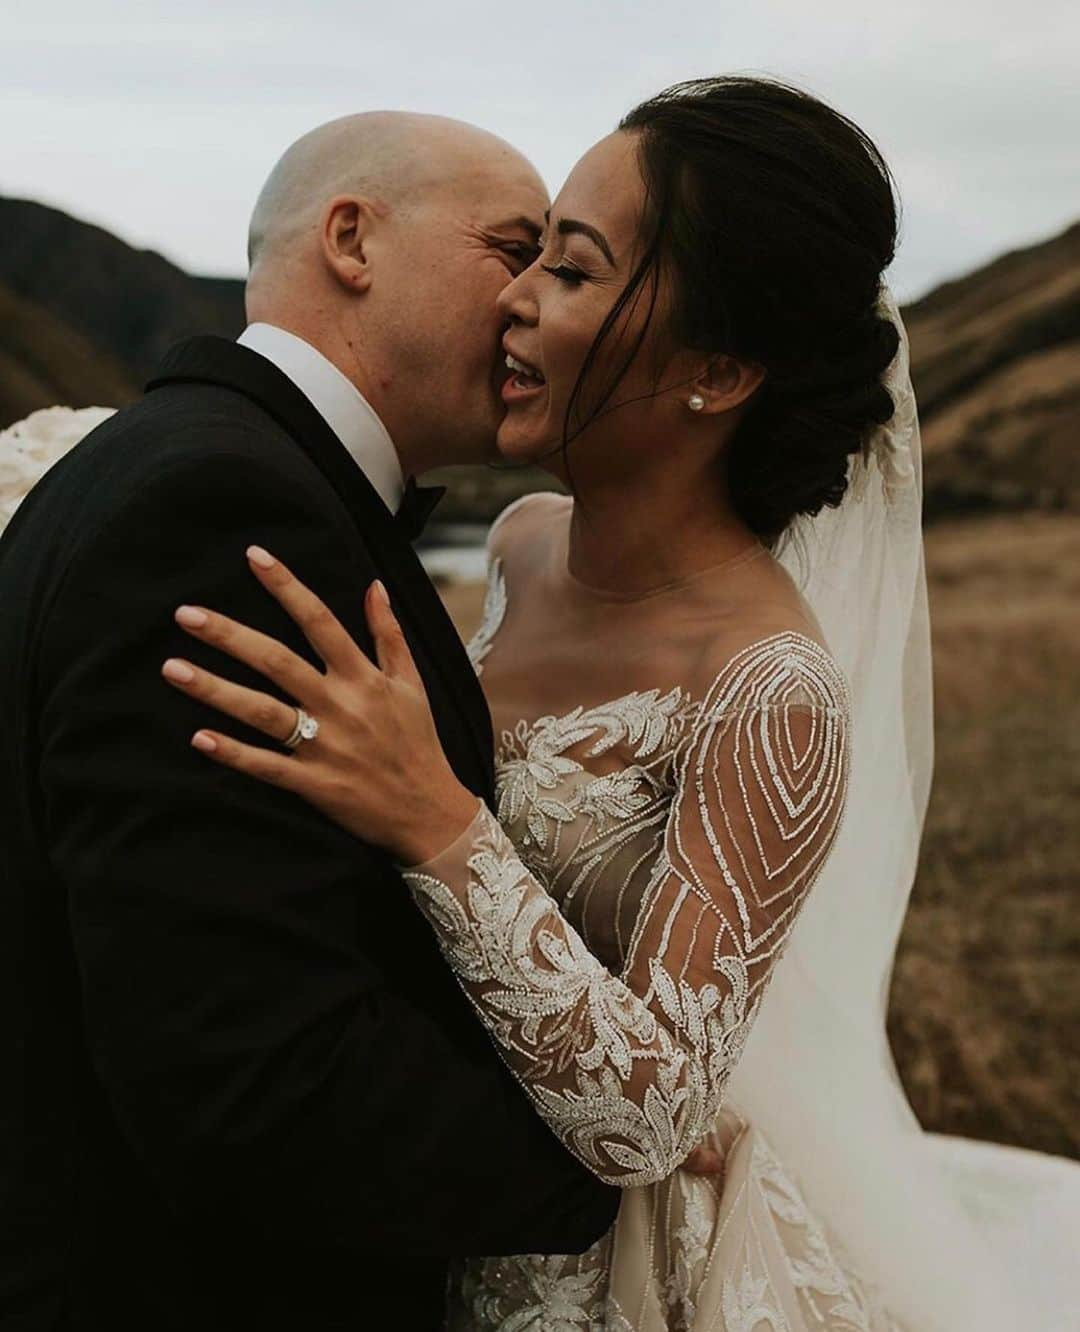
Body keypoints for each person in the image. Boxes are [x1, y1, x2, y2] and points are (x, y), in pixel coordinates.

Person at [153, 78, 1080, 1331]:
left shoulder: (770, 691)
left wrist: (435, 819)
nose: (516, 300)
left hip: (607, 1281)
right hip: (419, 1210)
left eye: (573, 272)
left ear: (718, 370)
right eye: (527, 257)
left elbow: (653, 1115)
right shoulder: (528, 543)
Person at [0, 112, 622, 1330]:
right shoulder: (228, 513)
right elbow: (245, 1073)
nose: (536, 303)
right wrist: (601, 1173)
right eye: (515, 247)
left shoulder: (182, 465)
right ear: (352, 239)